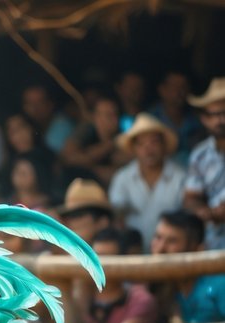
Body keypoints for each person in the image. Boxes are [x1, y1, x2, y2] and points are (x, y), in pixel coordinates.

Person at [109, 113, 186, 245]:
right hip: (133, 256)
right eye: (141, 144)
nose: (148, 149)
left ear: (163, 145)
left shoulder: (180, 178)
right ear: (133, 149)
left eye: (154, 142)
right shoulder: (122, 179)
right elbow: (116, 217)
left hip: (171, 255)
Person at [184, 77, 225, 250]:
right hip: (214, 242)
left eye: (224, 113)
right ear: (204, 119)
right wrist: (204, 211)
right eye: (213, 115)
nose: (220, 120)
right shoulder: (200, 155)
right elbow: (190, 199)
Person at [60, 94, 130, 187]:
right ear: (95, 117)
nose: (113, 119)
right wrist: (108, 145)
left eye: (115, 114)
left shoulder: (124, 137)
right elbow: (68, 158)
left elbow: (124, 169)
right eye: (108, 115)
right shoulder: (85, 131)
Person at [151, 71, 204, 163]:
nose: (180, 91)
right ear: (162, 90)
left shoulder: (197, 118)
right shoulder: (150, 119)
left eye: (183, 87)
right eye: (174, 87)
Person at [56, 178, 114, 245]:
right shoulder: (55, 251)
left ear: (103, 221)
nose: (70, 222)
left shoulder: (123, 253)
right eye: (67, 216)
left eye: (77, 215)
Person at [21, 84, 75, 154]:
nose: (35, 108)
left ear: (50, 104)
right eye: (30, 103)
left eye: (40, 102)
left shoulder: (61, 126)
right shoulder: (36, 129)